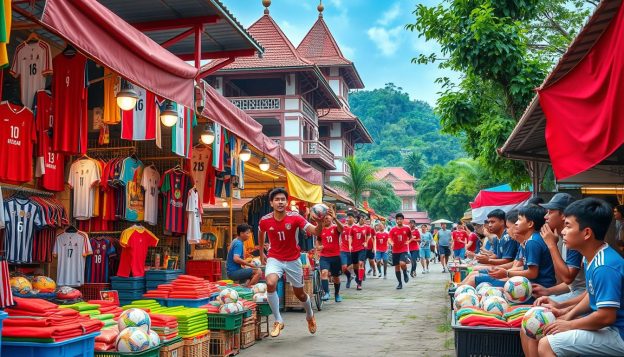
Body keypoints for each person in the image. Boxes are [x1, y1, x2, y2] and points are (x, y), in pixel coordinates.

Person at [523, 198, 624, 357]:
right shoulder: (590, 257)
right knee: (533, 328)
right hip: (611, 327)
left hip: (618, 333)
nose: (563, 231)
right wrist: (565, 312)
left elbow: (606, 316)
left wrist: (569, 324)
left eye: (568, 226)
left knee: (547, 343)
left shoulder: (604, 266)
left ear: (587, 233)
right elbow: (589, 294)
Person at [259, 188, 323, 337]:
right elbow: (261, 232)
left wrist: (319, 223)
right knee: (270, 283)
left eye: (283, 199)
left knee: (300, 294)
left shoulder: (296, 217)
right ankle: (278, 320)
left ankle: (309, 315)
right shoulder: (265, 220)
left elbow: (315, 232)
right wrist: (262, 252)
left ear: (286, 202)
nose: (280, 202)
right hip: (275, 258)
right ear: (271, 203)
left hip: (293, 259)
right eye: (277, 199)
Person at [481, 205, 556, 292]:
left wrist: (507, 273)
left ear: (530, 224)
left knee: (488, 289)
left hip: (538, 288)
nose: (516, 223)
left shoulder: (532, 242)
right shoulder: (530, 240)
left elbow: (532, 273)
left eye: (520, 219)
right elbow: (524, 268)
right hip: (531, 284)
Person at [532, 193, 585, 303]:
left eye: (550, 212)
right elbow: (570, 283)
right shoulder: (560, 238)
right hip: (577, 292)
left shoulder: (573, 240)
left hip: (583, 295)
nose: (545, 217)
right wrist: (547, 291)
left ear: (563, 215)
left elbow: (568, 278)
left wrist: (551, 245)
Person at [317, 207, 343, 302]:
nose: (326, 219)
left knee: (336, 277)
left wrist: (336, 218)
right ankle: (326, 293)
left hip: (335, 256)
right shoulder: (321, 229)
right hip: (324, 257)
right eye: (324, 218)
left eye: (328, 218)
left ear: (331, 218)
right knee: (324, 273)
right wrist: (319, 247)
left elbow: (342, 229)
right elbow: (318, 241)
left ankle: (337, 294)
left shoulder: (335, 228)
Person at [388, 213, 412, 289]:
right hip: (395, 250)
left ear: (403, 220)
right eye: (398, 219)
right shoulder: (393, 229)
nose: (399, 220)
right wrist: (391, 243)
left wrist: (408, 241)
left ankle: (405, 273)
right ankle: (400, 283)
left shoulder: (407, 228)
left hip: (403, 249)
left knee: (402, 263)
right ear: (396, 220)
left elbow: (411, 237)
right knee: (397, 267)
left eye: (400, 219)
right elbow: (389, 238)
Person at [348, 214, 369, 290]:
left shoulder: (367, 227)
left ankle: (359, 283)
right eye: (361, 219)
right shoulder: (353, 227)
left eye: (364, 219)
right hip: (354, 249)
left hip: (362, 248)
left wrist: (366, 242)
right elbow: (350, 236)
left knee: (361, 263)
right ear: (358, 219)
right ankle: (358, 276)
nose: (363, 220)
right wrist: (350, 245)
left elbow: (369, 235)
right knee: (355, 266)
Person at [340, 212, 355, 288]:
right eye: (347, 217)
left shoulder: (356, 228)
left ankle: (358, 279)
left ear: (353, 219)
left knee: (355, 265)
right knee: (344, 268)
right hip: (343, 250)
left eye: (350, 217)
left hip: (353, 250)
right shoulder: (343, 227)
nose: (348, 219)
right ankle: (349, 277)